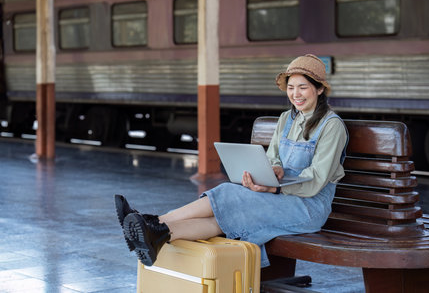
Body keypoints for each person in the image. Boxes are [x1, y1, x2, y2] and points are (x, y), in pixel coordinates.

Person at [115, 54, 348, 268]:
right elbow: (273, 157)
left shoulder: (331, 126)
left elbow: (317, 179)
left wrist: (272, 189)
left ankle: (152, 221)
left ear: (319, 89)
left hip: (308, 208)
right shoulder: (287, 118)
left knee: (228, 192)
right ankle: (159, 233)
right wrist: (270, 172)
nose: (295, 94)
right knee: (223, 219)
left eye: (302, 87)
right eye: (290, 87)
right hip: (279, 197)